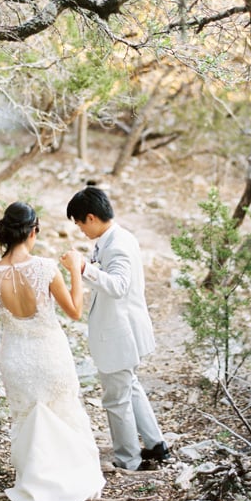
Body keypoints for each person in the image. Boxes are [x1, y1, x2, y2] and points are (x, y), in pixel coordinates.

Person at [0, 201, 105, 501]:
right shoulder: (46, 268)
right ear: (33, 231)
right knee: (63, 413)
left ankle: (35, 481)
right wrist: (75, 268)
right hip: (49, 354)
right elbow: (75, 311)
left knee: (29, 418)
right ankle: (71, 479)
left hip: (16, 360)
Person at [66, 186, 170, 472]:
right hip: (123, 330)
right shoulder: (116, 238)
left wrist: (84, 267)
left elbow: (119, 286)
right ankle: (156, 445)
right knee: (130, 387)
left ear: (90, 217)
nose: (79, 230)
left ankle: (129, 459)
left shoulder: (118, 244)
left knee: (116, 398)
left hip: (119, 334)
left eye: (78, 223)